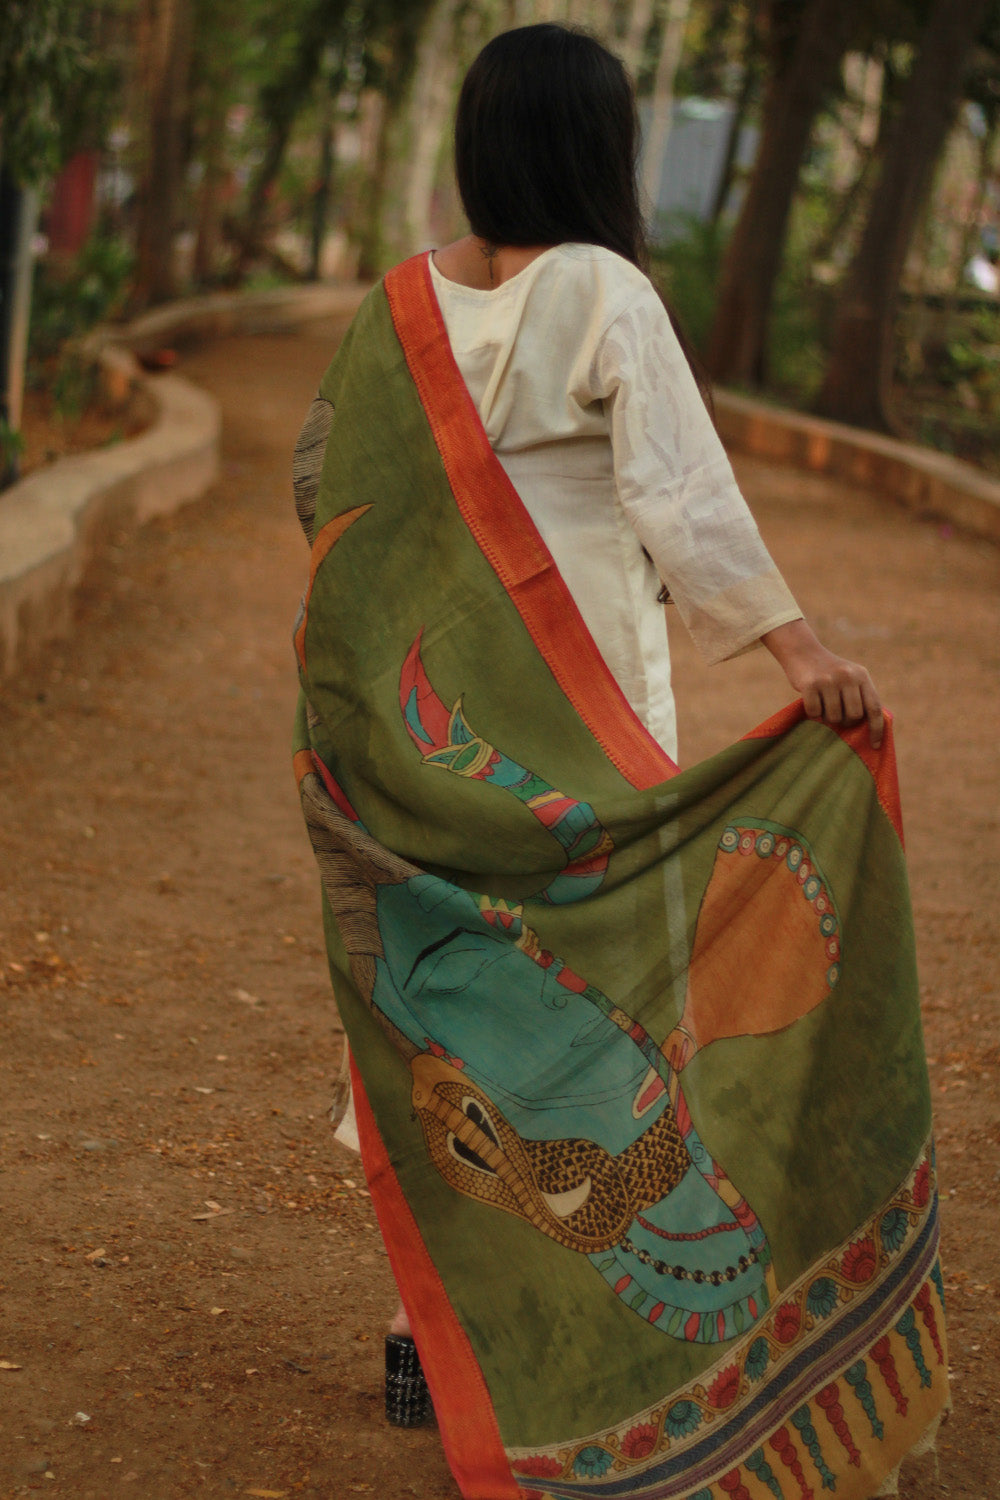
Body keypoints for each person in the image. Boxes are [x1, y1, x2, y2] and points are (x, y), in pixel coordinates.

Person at [292, 24, 947, 1500]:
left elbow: (322, 493)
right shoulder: (607, 292)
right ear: (597, 147)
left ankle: (420, 1332)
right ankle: (583, 1334)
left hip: (424, 729)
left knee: (444, 987)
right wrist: (797, 656)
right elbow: (680, 495)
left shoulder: (392, 309)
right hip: (575, 728)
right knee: (596, 983)